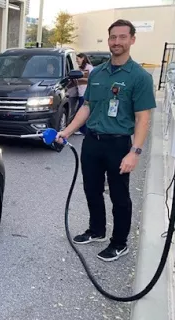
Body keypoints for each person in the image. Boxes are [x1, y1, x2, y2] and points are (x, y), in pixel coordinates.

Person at [56, 19, 156, 262]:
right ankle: (96, 230)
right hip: (93, 142)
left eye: (123, 37)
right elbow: (87, 107)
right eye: (113, 37)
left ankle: (119, 243)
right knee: (91, 189)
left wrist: (135, 152)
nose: (117, 42)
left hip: (119, 144)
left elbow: (143, 118)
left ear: (132, 39)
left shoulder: (139, 77)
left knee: (119, 196)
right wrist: (67, 131)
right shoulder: (97, 73)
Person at [74, 53, 94, 135]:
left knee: (83, 111)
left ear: (83, 58)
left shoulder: (89, 68)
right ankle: (82, 129)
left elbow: (92, 79)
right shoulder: (79, 68)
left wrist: (80, 78)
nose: (77, 61)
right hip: (80, 93)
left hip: (85, 93)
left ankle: (83, 130)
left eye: (78, 59)